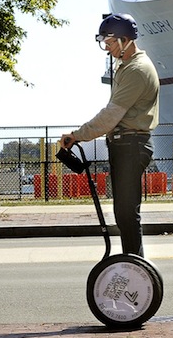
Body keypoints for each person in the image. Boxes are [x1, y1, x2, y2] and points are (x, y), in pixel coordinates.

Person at [60, 13, 159, 257]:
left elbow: (111, 115)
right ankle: (133, 263)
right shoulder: (126, 67)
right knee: (124, 213)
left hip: (130, 144)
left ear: (125, 40)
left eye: (110, 42)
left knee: (126, 213)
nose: (107, 48)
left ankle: (136, 267)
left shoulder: (136, 70)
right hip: (125, 144)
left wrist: (78, 135)